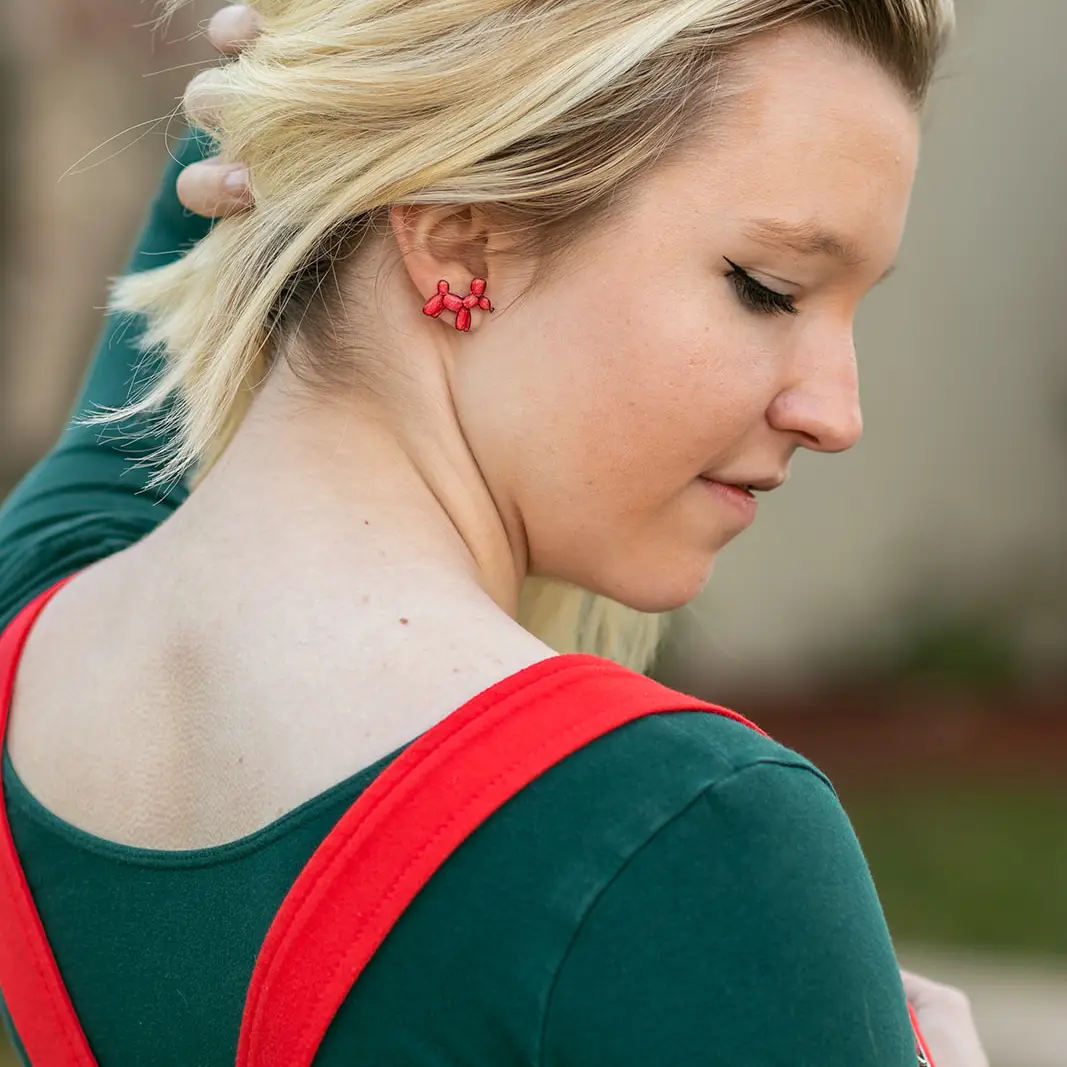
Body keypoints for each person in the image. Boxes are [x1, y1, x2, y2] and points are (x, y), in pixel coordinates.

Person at [0, 1, 991, 1064]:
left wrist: (302, 85)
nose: (835, 412)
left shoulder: (33, 614)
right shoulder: (672, 833)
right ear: (462, 244)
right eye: (769, 288)